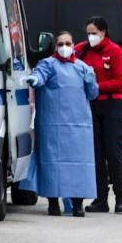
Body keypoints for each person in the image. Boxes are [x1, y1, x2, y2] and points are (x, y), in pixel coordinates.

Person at [22, 32, 99, 217]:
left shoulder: (82, 68)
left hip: (79, 127)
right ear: (55, 46)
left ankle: (78, 203)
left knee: (79, 165)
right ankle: (53, 202)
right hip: (52, 126)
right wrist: (35, 79)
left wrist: (91, 80)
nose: (65, 47)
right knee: (52, 164)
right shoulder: (48, 64)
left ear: (73, 45)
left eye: (68, 43)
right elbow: (40, 75)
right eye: (61, 44)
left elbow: (93, 94)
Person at [75, 16, 122, 214]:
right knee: (96, 155)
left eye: (94, 33)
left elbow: (119, 81)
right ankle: (100, 199)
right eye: (88, 33)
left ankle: (121, 197)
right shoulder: (82, 50)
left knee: (114, 154)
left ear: (103, 33)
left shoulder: (114, 51)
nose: (90, 37)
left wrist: (96, 87)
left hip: (112, 106)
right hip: (91, 107)